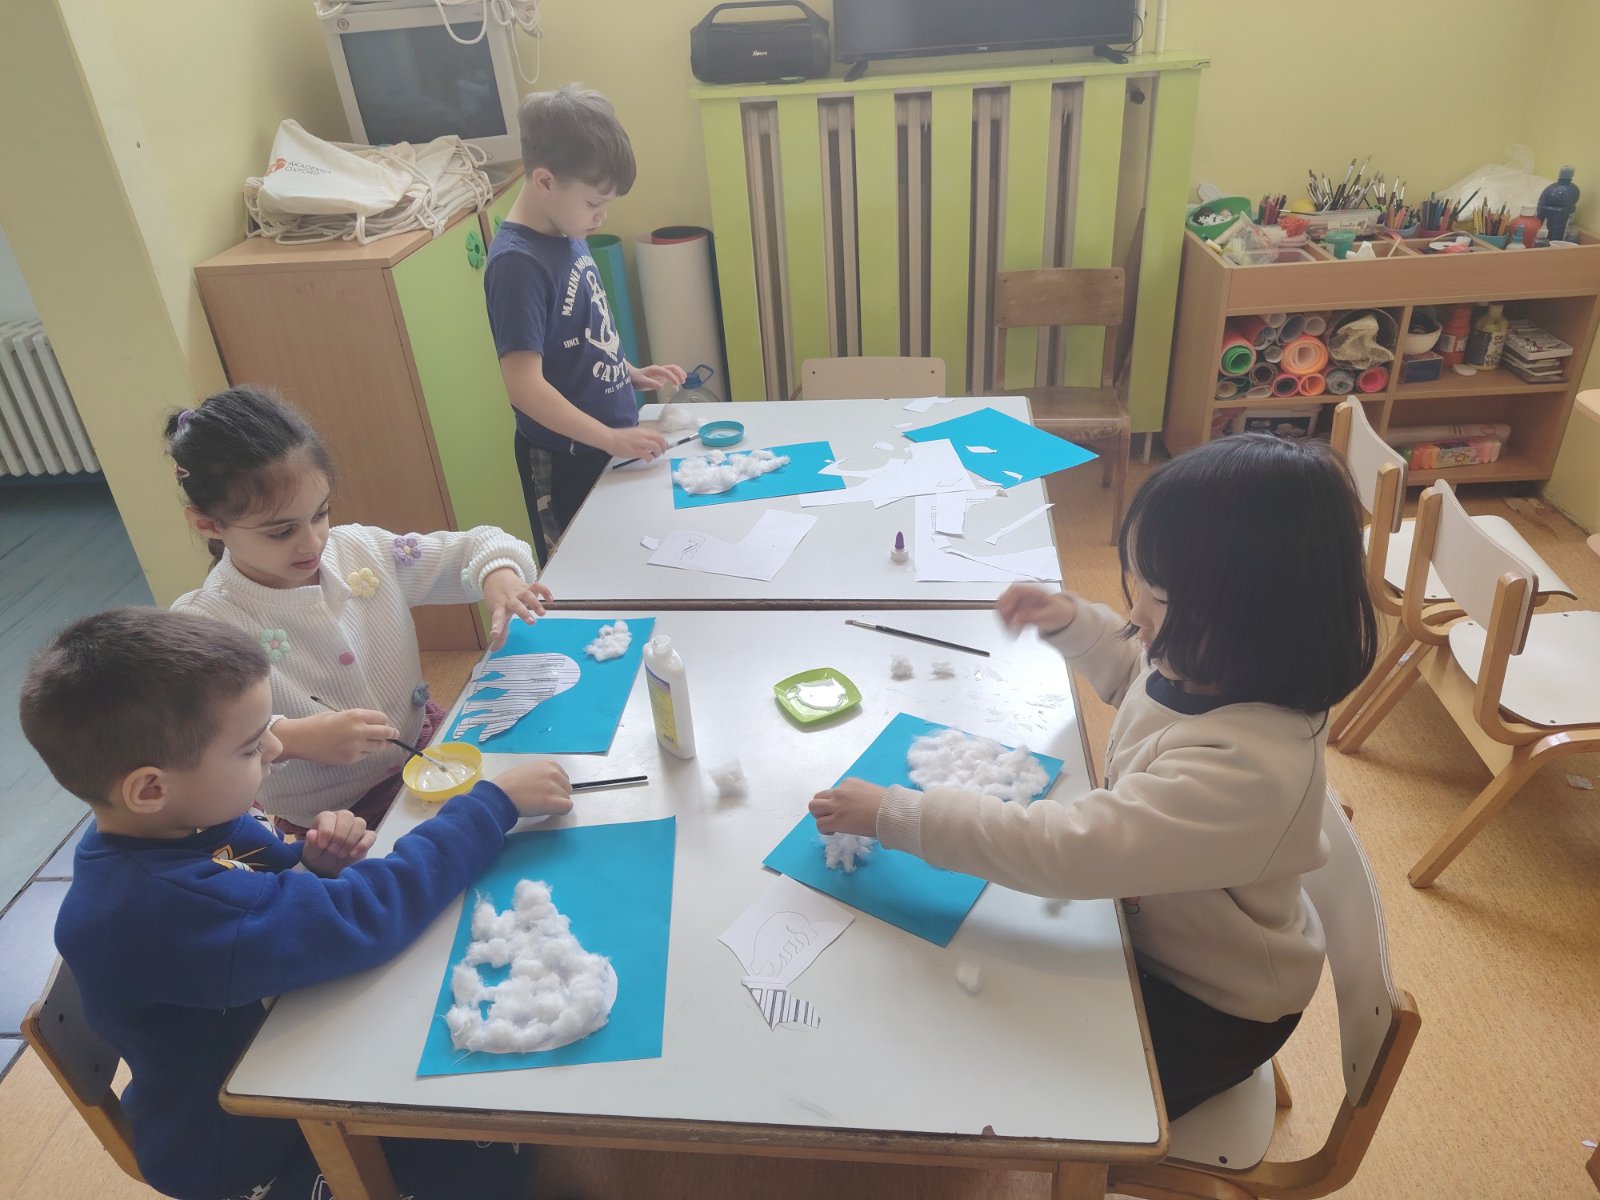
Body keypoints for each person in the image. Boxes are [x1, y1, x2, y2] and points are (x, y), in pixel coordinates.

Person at [810, 434, 1378, 1119]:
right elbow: (1137, 678)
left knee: (1012, 1084)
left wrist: (898, 814)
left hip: (1209, 1007)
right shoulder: (1211, 667)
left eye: (1158, 599)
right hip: (1148, 927)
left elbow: (1066, 851)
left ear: (1251, 619)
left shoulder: (1250, 771)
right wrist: (1073, 624)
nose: (1136, 616)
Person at [19, 606, 573, 1200]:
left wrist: (310, 867)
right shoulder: (155, 908)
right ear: (150, 788)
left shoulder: (178, 821)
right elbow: (361, 917)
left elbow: (260, 901)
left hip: (282, 1049)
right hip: (247, 1147)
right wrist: (487, 809)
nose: (278, 746)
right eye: (250, 748)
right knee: (491, 1165)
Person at [166, 385, 550, 836]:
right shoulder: (205, 624)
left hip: (426, 747)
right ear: (208, 524)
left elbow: (478, 546)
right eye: (281, 532)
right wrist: (293, 739)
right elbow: (200, 741)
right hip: (336, 818)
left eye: (320, 514)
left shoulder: (360, 551)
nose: (311, 542)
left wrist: (498, 575)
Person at [485, 83, 687, 562]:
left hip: (604, 445)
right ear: (545, 182)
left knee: (624, 557)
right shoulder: (517, 264)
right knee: (581, 569)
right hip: (565, 459)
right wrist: (611, 439)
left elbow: (577, 331)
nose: (601, 216)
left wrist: (627, 371)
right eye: (594, 203)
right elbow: (525, 387)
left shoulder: (565, 226)